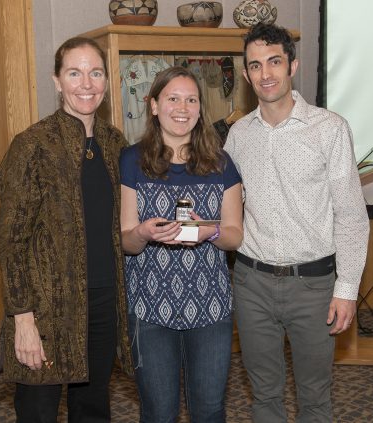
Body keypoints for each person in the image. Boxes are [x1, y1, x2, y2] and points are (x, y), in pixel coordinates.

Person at [223, 23, 370, 422]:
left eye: (274, 62)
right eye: (255, 66)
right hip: (251, 283)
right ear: (247, 73)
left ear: (292, 65)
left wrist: (347, 289)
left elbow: (352, 218)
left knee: (315, 398)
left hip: (314, 287)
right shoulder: (237, 135)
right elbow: (228, 208)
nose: (265, 74)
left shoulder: (330, 129)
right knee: (264, 396)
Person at [0, 36, 133, 422]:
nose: (86, 84)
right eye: (74, 73)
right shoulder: (32, 145)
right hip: (46, 309)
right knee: (38, 411)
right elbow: (11, 243)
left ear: (106, 81)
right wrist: (22, 319)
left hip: (103, 303)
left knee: (93, 407)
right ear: (57, 81)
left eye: (95, 73)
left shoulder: (115, 142)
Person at [119, 66, 243, 423]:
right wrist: (142, 233)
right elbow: (126, 241)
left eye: (191, 100)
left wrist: (210, 231)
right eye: (173, 98)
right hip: (149, 306)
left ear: (200, 109)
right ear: (154, 105)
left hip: (210, 307)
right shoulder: (131, 160)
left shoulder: (220, 162)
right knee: (158, 412)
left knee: (209, 410)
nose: (182, 108)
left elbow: (235, 233)